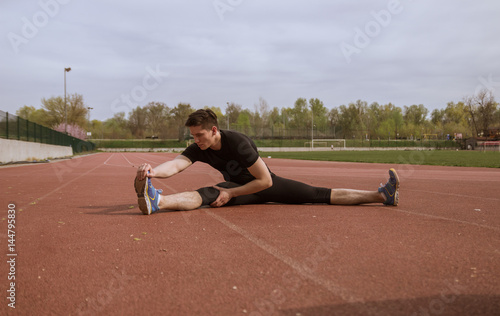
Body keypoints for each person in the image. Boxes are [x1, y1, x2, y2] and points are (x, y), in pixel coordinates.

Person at [134, 109, 399, 215]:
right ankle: (157, 201)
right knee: (207, 194)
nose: (196, 140)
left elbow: (265, 181)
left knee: (319, 194)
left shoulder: (238, 142)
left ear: (214, 130)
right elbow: (177, 164)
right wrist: (152, 172)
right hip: (238, 188)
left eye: (200, 135)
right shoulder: (199, 147)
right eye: (193, 136)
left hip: (266, 187)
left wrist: (231, 192)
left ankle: (381, 195)